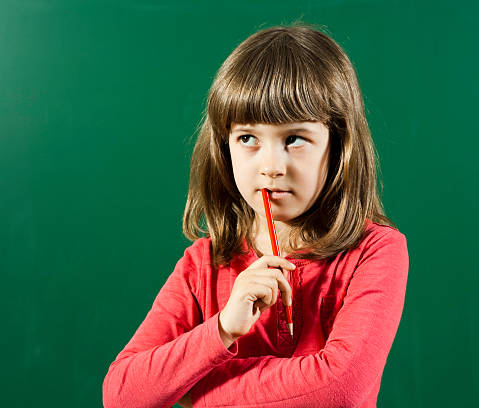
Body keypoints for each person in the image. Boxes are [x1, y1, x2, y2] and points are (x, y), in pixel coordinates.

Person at [102, 22, 409, 408]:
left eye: (294, 139)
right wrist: (223, 328)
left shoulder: (376, 250)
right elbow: (122, 395)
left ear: (338, 145)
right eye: (247, 138)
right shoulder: (202, 264)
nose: (270, 166)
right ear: (225, 147)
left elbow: (339, 390)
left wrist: (194, 388)